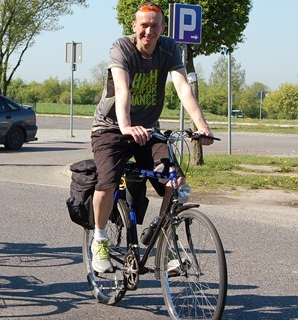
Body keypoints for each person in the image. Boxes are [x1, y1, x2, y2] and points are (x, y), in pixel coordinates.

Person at [89, 2, 215, 273]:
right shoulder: (122, 47)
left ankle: (165, 242)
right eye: (143, 25)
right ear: (134, 26)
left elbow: (183, 88)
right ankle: (99, 239)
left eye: (154, 26)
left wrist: (202, 126)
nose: (148, 31)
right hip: (110, 127)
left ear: (163, 28)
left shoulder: (169, 48)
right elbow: (122, 89)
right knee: (108, 183)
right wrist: (125, 125)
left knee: (175, 180)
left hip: (148, 129)